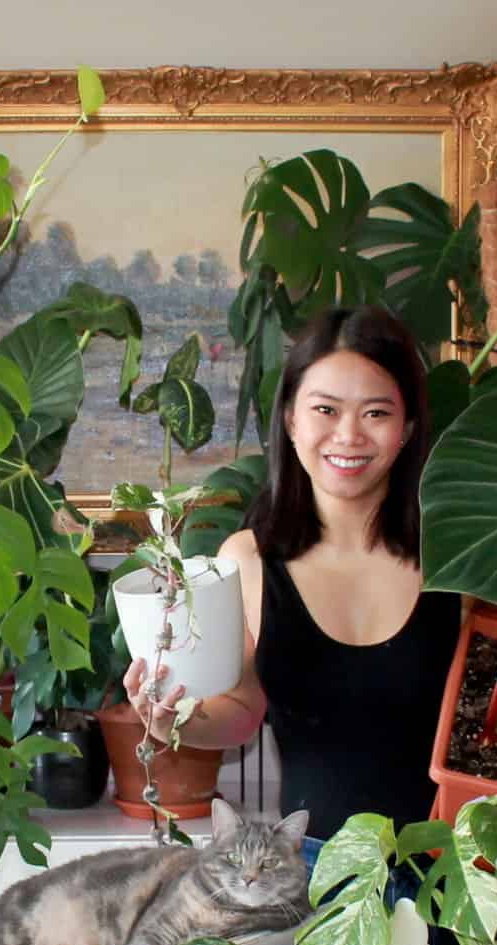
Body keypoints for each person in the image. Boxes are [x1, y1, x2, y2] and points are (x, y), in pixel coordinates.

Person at [121, 304, 461, 863]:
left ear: (408, 429)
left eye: (376, 413)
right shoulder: (250, 558)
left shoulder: (462, 557)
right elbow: (240, 708)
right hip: (313, 879)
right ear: (290, 421)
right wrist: (170, 719)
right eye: (325, 409)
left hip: (456, 879)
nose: (348, 435)